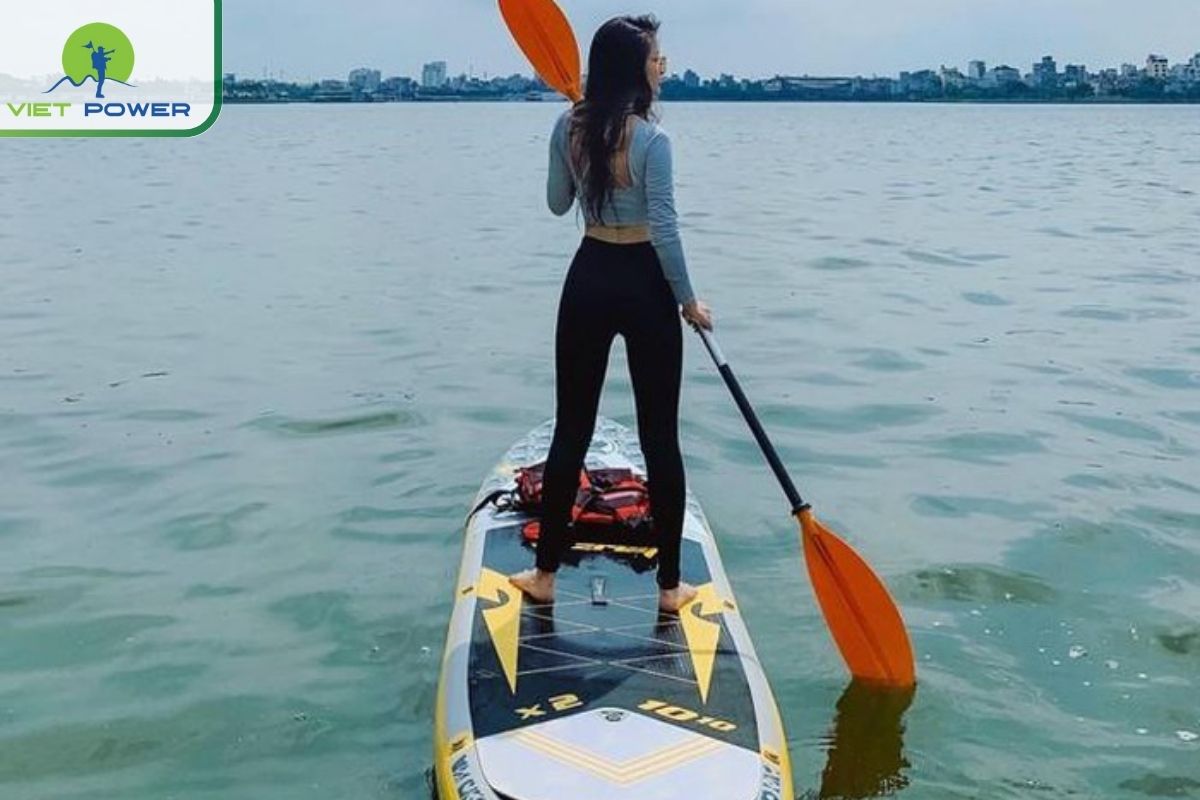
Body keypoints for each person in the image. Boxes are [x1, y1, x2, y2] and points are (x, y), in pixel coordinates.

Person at [509, 14, 713, 613]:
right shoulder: (654, 141)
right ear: (634, 70)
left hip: (590, 276)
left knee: (571, 429)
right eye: (656, 59)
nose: (662, 68)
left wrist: (574, 144)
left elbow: (557, 204)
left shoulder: (568, 126)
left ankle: (545, 575)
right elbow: (666, 230)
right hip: (646, 283)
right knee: (660, 438)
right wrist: (688, 300)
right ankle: (670, 587)